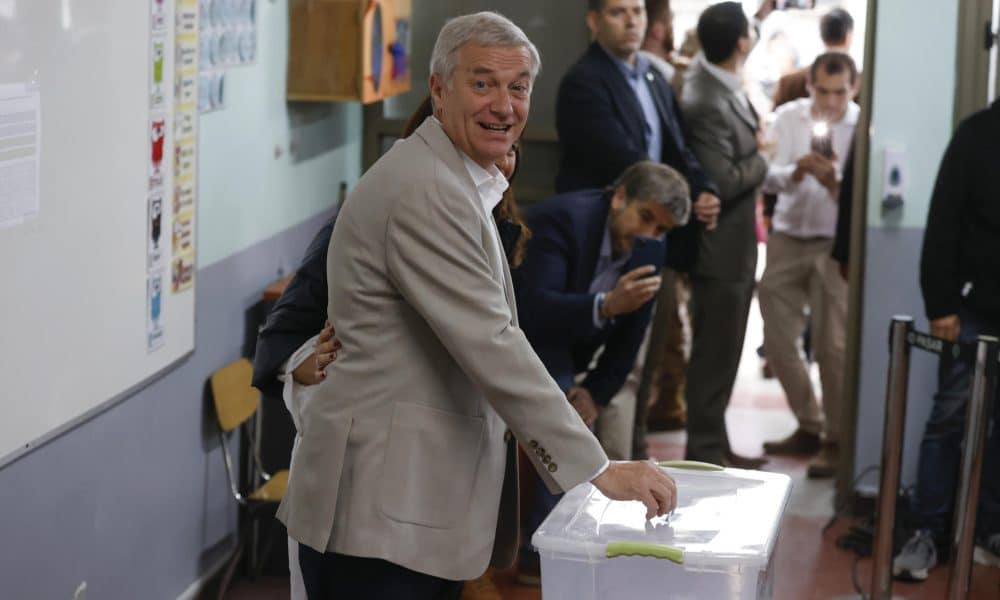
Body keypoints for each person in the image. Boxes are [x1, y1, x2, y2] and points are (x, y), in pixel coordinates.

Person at [276, 12, 677, 599]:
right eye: (482, 83)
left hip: (411, 510)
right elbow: (490, 342)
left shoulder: (460, 180)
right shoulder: (424, 190)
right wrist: (597, 468)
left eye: (518, 88)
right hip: (376, 520)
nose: (504, 105)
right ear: (438, 90)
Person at [253, 96, 533, 599]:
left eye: (511, 150)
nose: (501, 159)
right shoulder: (372, 215)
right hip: (368, 486)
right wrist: (303, 362)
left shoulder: (499, 230)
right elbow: (280, 335)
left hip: (448, 486)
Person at [555, 0, 721, 461]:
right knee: (601, 362)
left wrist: (702, 190)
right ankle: (600, 473)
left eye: (636, 11)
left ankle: (633, 452)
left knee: (639, 360)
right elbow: (628, 164)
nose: (631, 21)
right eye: (616, 12)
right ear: (593, 21)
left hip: (654, 237)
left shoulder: (652, 77)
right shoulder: (583, 82)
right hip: (605, 236)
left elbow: (679, 146)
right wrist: (681, 195)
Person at [513, 160, 690, 582]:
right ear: (620, 196)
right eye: (645, 217)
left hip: (572, 351)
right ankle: (537, 556)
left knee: (594, 411)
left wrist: (595, 391)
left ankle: (593, 542)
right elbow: (534, 312)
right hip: (521, 341)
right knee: (561, 414)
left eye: (662, 229)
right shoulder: (562, 222)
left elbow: (630, 339)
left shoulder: (649, 252)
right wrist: (606, 306)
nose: (650, 235)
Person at [892, 99, 1000, 582]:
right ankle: (928, 532)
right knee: (948, 420)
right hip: (973, 310)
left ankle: (989, 529)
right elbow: (944, 222)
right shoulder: (977, 134)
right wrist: (941, 305)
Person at [757, 52, 859, 479]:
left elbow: (858, 195)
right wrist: (792, 174)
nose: (831, 102)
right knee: (778, 341)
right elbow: (763, 174)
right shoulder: (788, 117)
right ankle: (809, 422)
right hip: (786, 237)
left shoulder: (861, 128)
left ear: (852, 88)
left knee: (833, 347)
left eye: (840, 92)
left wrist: (837, 183)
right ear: (810, 86)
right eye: (822, 91)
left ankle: (835, 438)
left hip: (832, 243)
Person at [680, 1, 769, 468]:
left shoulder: (720, 85)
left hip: (734, 246)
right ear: (741, 42)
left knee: (724, 353)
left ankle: (714, 443)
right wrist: (766, 154)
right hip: (719, 251)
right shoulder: (707, 99)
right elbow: (724, 178)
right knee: (714, 355)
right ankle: (705, 451)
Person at [772, 7, 855, 109]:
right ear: (848, 37)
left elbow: (772, 121)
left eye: (839, 92)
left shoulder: (789, 83)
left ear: (821, 36)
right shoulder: (864, 84)